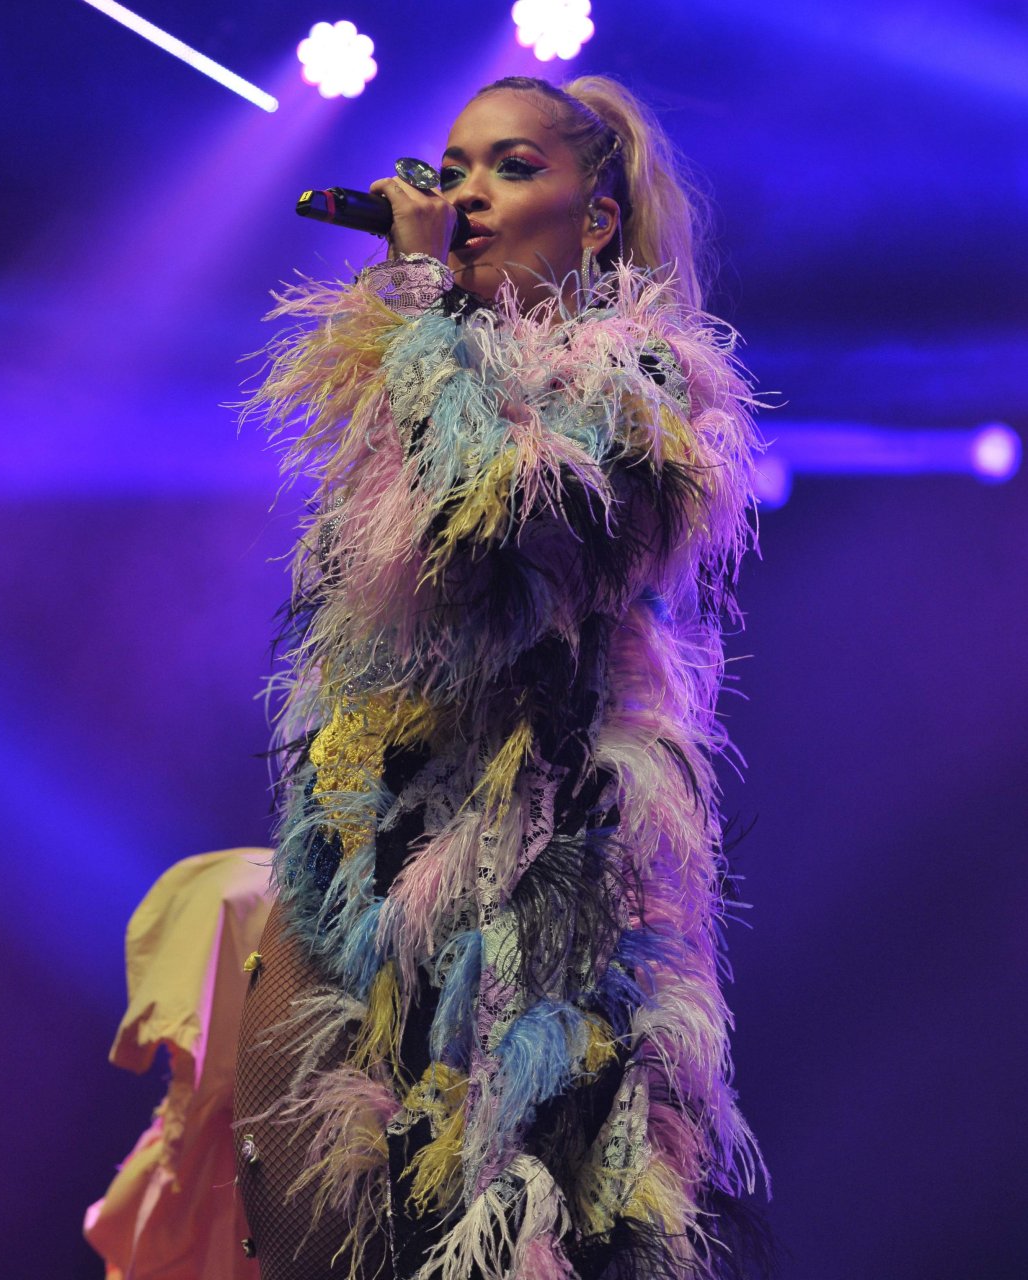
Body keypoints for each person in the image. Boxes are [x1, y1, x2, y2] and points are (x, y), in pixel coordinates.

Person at [234, 74, 768, 1280]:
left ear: (598, 218)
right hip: (370, 888)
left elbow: (480, 528)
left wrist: (420, 302)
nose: (466, 194)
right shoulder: (416, 375)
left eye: (513, 167)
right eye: (454, 167)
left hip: (526, 924)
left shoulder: (642, 389)